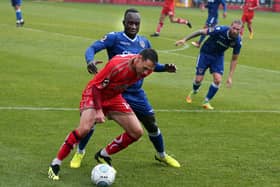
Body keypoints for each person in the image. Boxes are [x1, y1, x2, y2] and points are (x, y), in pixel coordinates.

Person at [70, 8, 180, 170]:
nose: (134, 26)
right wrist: (90, 61)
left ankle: (161, 154)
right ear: (124, 23)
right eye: (130, 23)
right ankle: (79, 152)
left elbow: (149, 66)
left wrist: (165, 68)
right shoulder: (114, 38)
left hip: (136, 93)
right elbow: (91, 48)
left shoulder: (144, 43)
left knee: (151, 123)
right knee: (92, 121)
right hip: (114, 91)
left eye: (137, 23)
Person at [48, 48, 159, 180]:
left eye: (149, 70)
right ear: (138, 58)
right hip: (95, 94)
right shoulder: (116, 65)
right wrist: (99, 111)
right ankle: (55, 164)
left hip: (114, 97)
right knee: (84, 129)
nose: (146, 73)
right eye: (145, 68)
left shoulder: (146, 69)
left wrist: (165, 68)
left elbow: (145, 70)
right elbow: (96, 87)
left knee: (137, 131)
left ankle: (103, 155)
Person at [175, 19, 242, 110]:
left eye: (238, 29)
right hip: (205, 54)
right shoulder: (220, 30)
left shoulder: (238, 41)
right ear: (230, 26)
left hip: (218, 57)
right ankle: (195, 90)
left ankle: (206, 101)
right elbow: (201, 31)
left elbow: (234, 59)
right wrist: (184, 39)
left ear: (240, 30)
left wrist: (230, 76)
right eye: (234, 28)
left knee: (218, 80)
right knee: (198, 80)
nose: (235, 31)